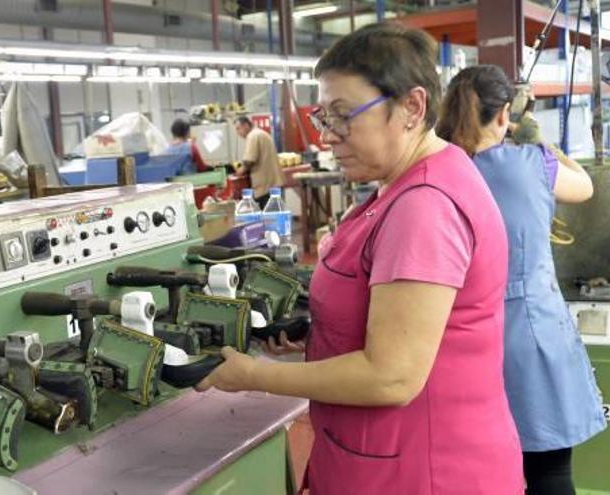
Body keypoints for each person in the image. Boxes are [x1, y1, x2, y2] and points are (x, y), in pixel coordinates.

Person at [196, 22, 523, 494]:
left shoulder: (424, 206)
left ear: (412, 107)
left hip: (424, 472)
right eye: (323, 117)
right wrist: (321, 330)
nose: (327, 136)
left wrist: (255, 375)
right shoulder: (402, 184)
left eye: (343, 115)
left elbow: (392, 376)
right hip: (390, 457)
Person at [437, 65, 606, 495]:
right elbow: (584, 186)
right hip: (531, 338)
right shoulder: (531, 162)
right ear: (503, 114)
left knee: (480, 473)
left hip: (458, 340)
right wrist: (537, 138)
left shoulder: (437, 169)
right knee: (548, 471)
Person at [233, 115, 285, 208]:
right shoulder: (261, 133)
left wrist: (238, 172)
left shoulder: (253, 136)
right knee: (274, 215)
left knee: (267, 217)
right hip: (272, 183)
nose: (237, 133)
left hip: (265, 187)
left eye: (238, 128)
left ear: (246, 125)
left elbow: (249, 161)